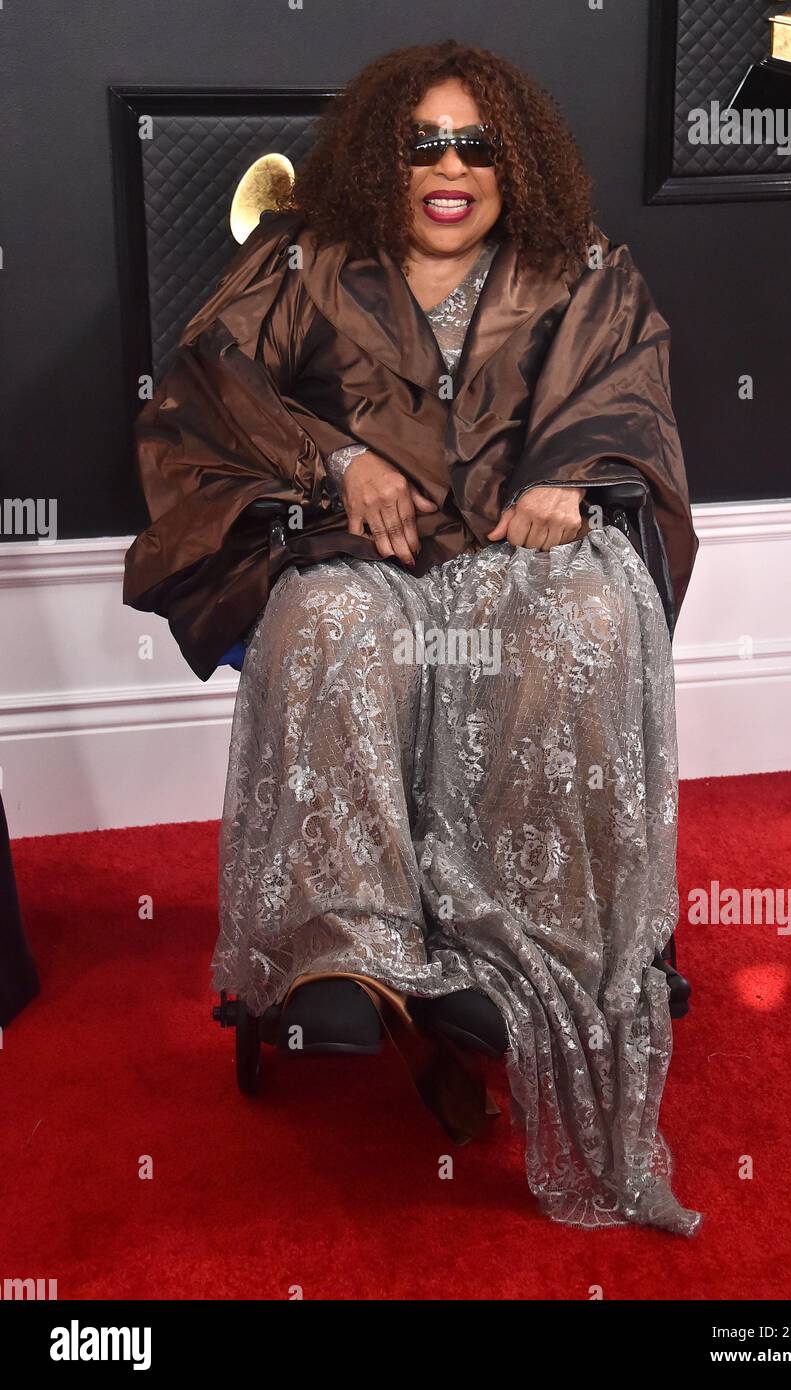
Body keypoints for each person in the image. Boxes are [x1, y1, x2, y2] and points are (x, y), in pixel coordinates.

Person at [124, 40, 701, 1235]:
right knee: (334, 617)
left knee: (587, 610)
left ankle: (526, 946)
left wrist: (567, 473)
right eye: (422, 144)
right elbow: (203, 385)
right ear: (383, 162)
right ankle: (346, 953)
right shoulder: (303, 260)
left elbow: (626, 396)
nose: (450, 167)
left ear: (514, 161)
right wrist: (333, 458)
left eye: (476, 144)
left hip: (514, 558)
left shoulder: (579, 269)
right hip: (359, 554)